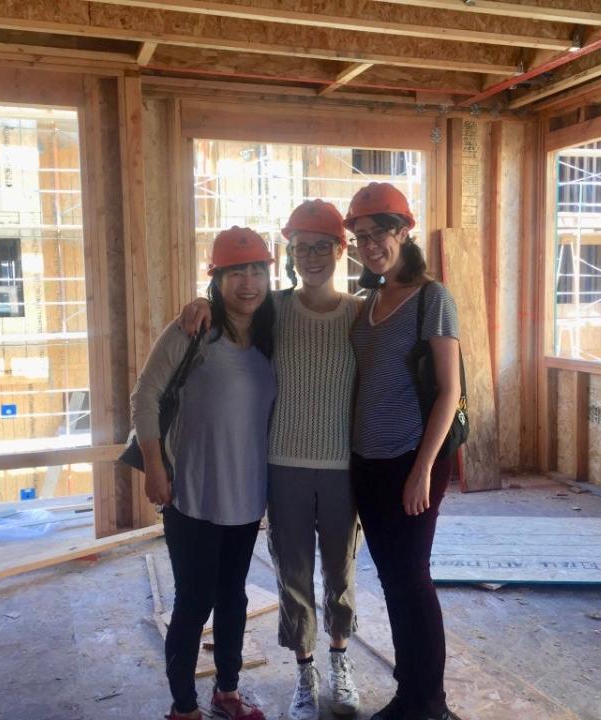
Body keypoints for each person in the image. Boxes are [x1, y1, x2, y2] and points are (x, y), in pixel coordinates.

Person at [180, 200, 361, 720]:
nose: (311, 257)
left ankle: (341, 663)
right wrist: (199, 302)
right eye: (301, 247)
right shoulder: (274, 310)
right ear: (291, 253)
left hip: (341, 468)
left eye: (322, 246)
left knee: (341, 573)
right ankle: (306, 675)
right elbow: (229, 305)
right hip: (282, 465)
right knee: (294, 575)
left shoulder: (358, 313)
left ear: (339, 249)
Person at [131, 226, 277, 720]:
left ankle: (228, 692)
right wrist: (154, 467)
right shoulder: (193, 330)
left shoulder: (272, 332)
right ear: (218, 279)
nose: (249, 282)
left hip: (245, 495)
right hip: (191, 493)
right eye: (236, 272)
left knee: (233, 597)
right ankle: (183, 707)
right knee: (193, 601)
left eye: (257, 270)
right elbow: (144, 396)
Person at [346, 183, 462, 720]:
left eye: (381, 233)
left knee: (412, 578)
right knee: (392, 578)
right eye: (360, 236)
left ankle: (429, 703)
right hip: (367, 463)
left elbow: (449, 390)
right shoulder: (366, 301)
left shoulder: (431, 297)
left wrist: (422, 470)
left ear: (404, 231)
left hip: (412, 461)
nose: (370, 245)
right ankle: (408, 693)